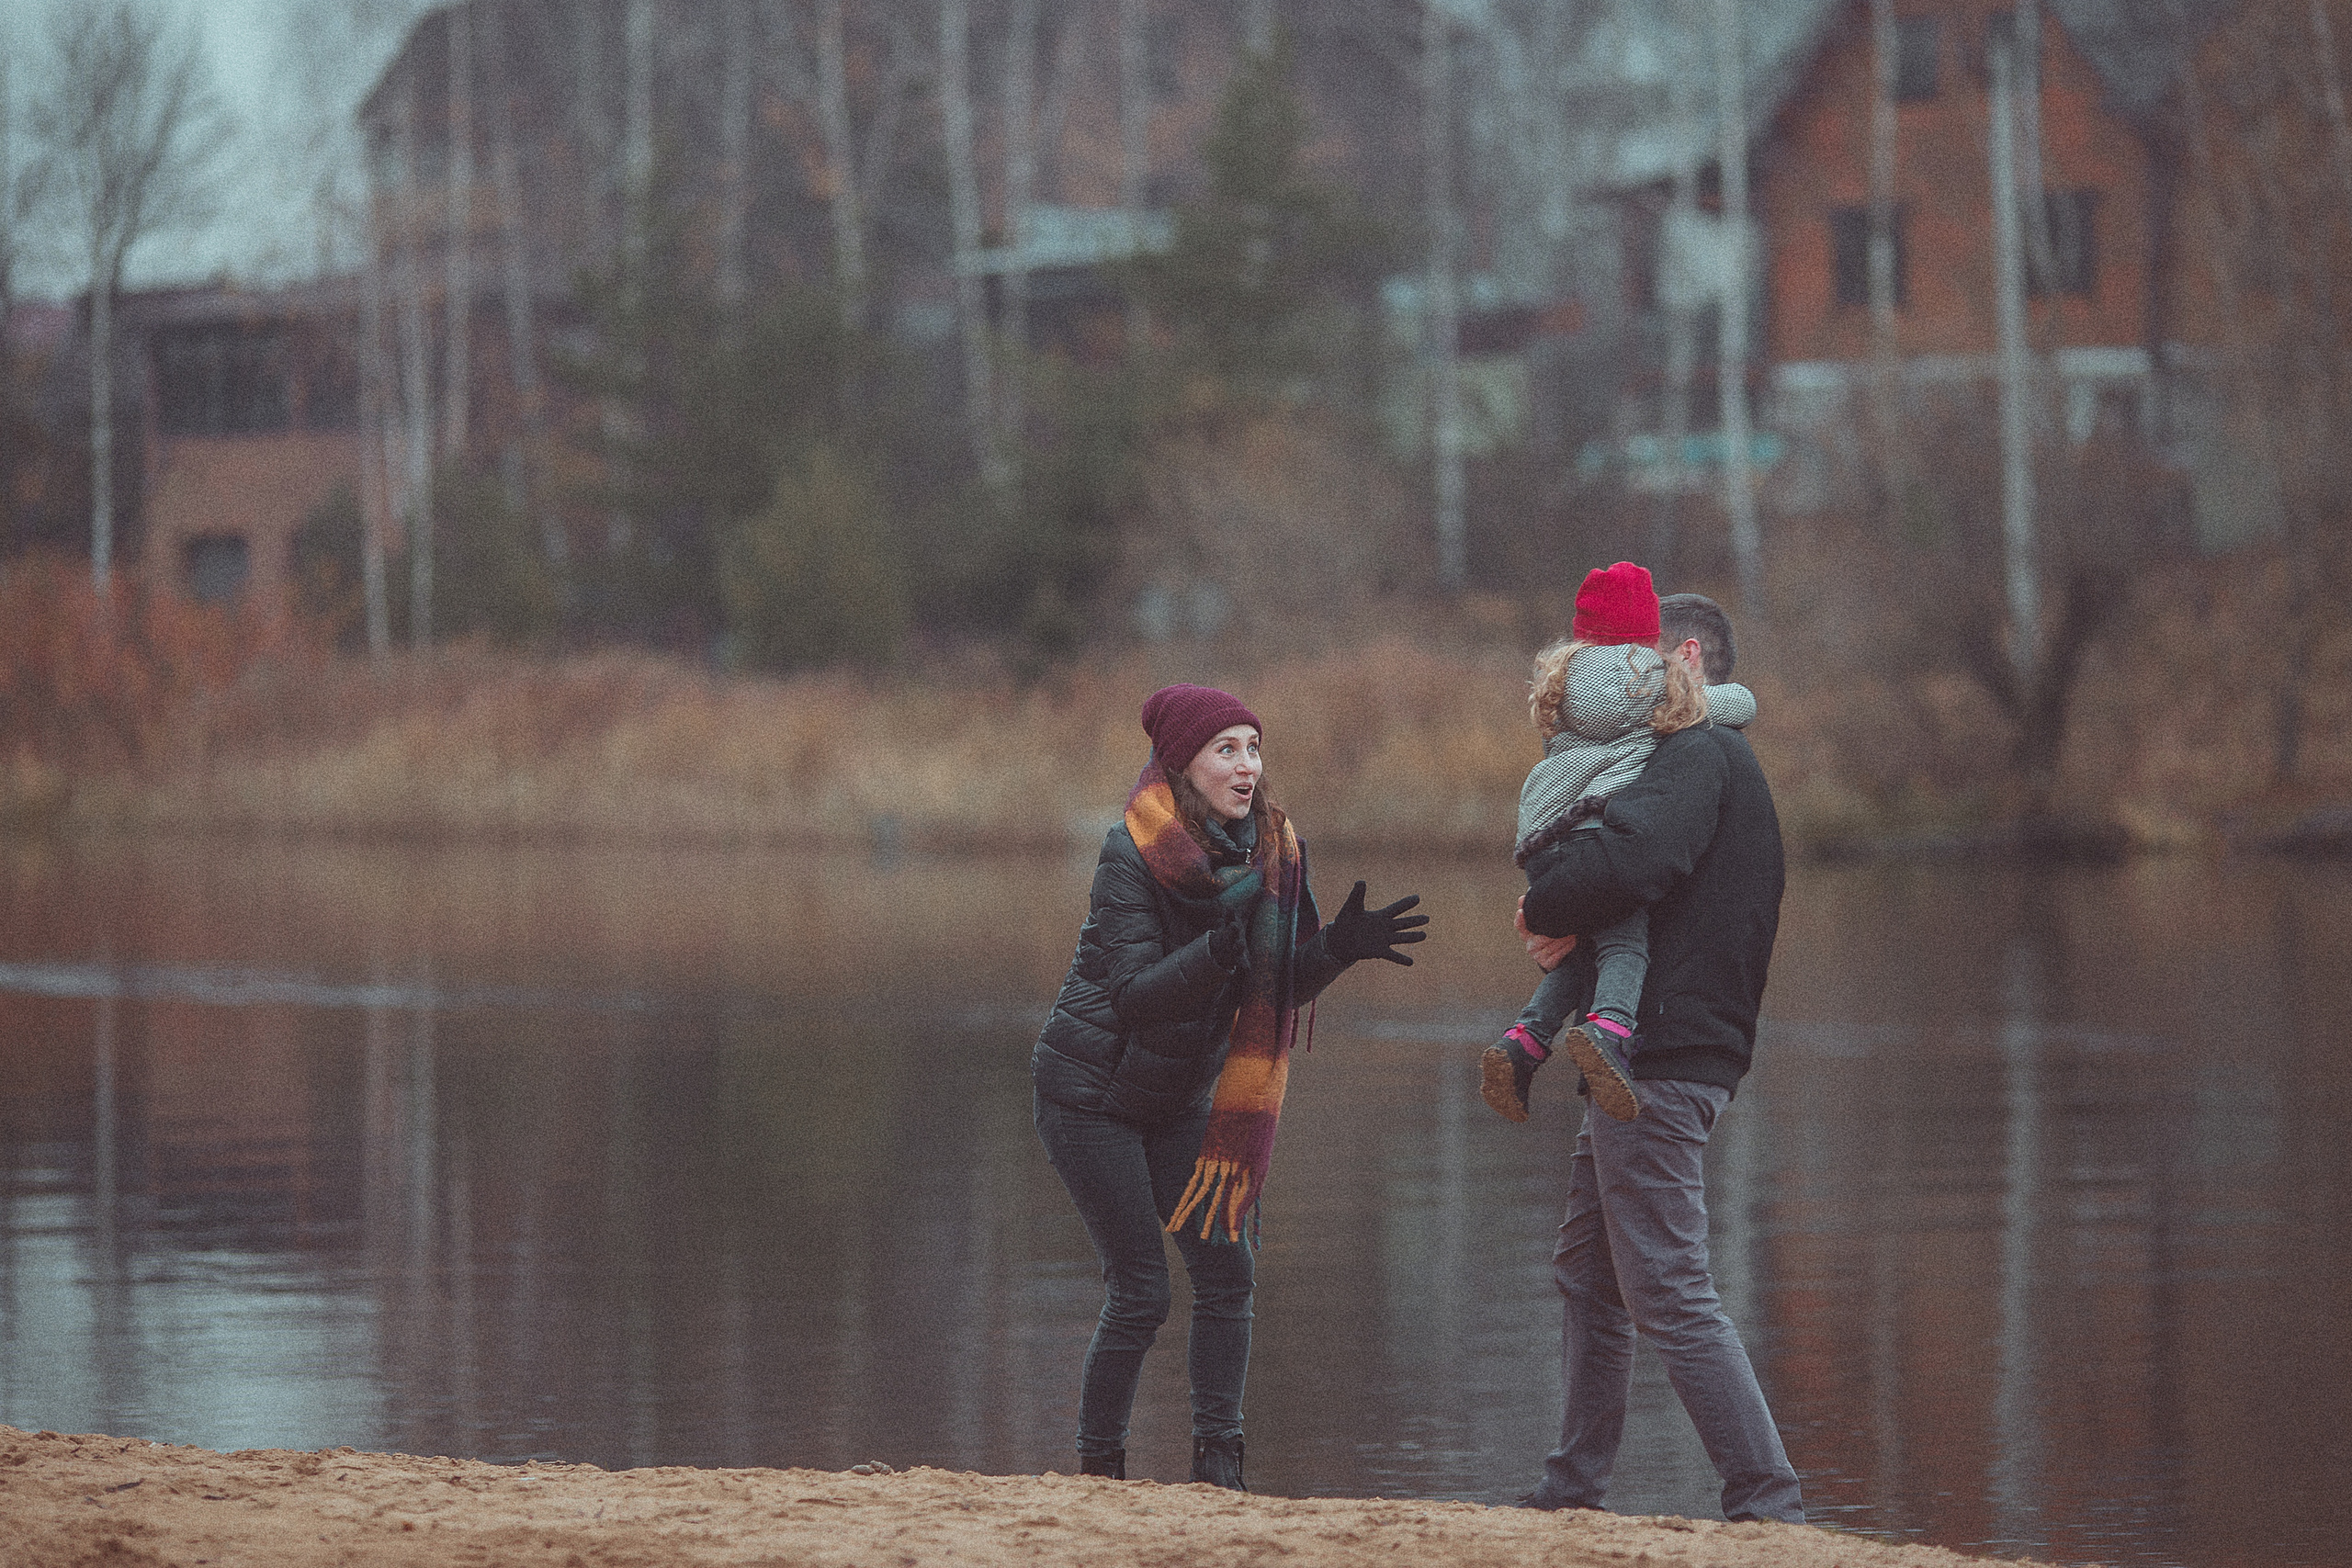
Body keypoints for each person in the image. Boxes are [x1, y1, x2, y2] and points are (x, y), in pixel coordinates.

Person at [1031, 683, 1429, 1492]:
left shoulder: (1273, 854)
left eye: (1253, 747)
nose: (1247, 765)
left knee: (1227, 1269)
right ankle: (1097, 1473)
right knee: (1140, 1291)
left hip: (1175, 1095)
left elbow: (1279, 980)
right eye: (1227, 750)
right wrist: (1216, 950)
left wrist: (1340, 948)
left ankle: (1220, 1469)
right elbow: (1138, 993)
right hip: (1089, 1092)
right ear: (1184, 765)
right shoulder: (1129, 853)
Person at [1510, 592, 1806, 1526]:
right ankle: (1570, 1494)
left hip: (1661, 1058)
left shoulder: (1698, 755)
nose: (1618, 683)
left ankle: (1767, 1506)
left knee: (1669, 1288)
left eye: (1632, 661)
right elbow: (1643, 884)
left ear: (1680, 657)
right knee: (1588, 1274)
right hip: (1664, 1052)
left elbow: (1626, 867)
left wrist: (1542, 904)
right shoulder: (1703, 760)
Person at [1480, 562, 1758, 1126]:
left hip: (1540, 836)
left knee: (1584, 947)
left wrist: (1543, 905)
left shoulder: (1563, 679)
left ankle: (1526, 1040)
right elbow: (1727, 706)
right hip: (1590, 832)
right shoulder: (1651, 686)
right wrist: (1736, 696)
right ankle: (1609, 1030)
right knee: (1623, 944)